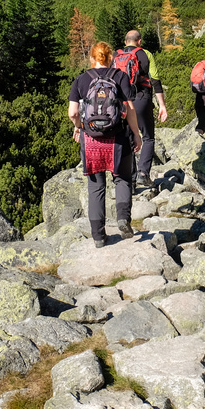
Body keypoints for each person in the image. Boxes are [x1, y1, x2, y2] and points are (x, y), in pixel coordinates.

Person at [69, 42, 142, 248]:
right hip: (117, 137)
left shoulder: (81, 80)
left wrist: (78, 127)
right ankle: (122, 220)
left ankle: (99, 237)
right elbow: (130, 109)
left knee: (96, 186)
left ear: (92, 58)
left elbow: (73, 113)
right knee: (123, 179)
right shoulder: (120, 77)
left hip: (91, 140)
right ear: (110, 58)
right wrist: (136, 134)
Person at [115, 30, 167, 188]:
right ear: (139, 41)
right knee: (148, 137)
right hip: (141, 99)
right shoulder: (145, 54)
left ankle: (129, 179)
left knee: (128, 138)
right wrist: (162, 105)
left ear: (125, 42)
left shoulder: (115, 55)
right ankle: (143, 174)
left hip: (122, 102)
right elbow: (156, 80)